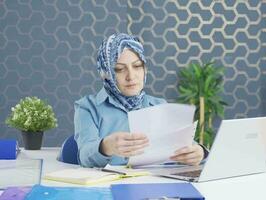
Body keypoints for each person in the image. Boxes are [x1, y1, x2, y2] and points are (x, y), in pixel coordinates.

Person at [74, 33, 207, 168]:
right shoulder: (87, 107)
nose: (131, 76)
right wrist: (106, 146)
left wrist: (199, 152)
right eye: (119, 69)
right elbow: (84, 156)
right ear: (106, 72)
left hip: (155, 183)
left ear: (145, 68)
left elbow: (185, 146)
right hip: (106, 186)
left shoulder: (159, 105)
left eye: (137, 66)